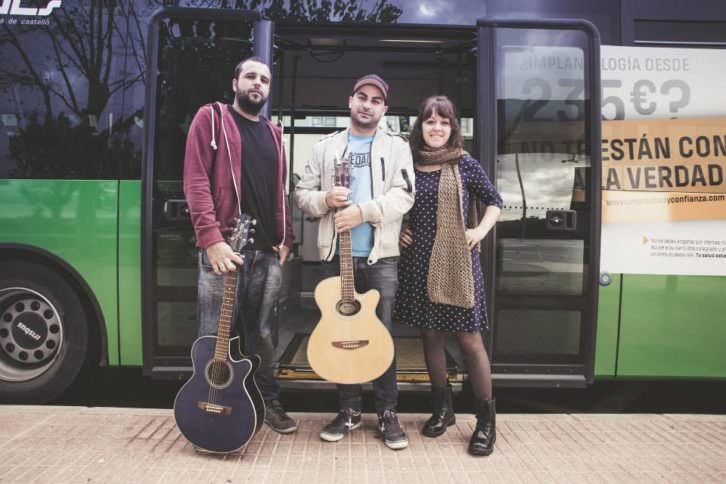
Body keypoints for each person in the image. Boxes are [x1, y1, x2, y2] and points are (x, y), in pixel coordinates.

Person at [294, 74, 414, 450]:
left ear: (384, 109)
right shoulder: (325, 146)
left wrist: (363, 211)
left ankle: (388, 414)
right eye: (361, 97)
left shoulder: (397, 147)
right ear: (350, 101)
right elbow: (302, 193)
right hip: (336, 257)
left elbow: (404, 196)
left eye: (375, 100)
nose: (367, 104)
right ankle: (349, 411)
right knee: (340, 335)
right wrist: (325, 200)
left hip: (380, 257)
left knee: (382, 338)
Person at [183, 56, 297, 434]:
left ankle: (266, 401)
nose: (258, 83)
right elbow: (196, 180)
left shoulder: (274, 133)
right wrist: (211, 239)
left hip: (266, 252)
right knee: (214, 336)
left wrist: (286, 240)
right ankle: (210, 407)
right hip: (224, 251)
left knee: (262, 335)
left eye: (264, 79)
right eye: (250, 76)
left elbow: (280, 192)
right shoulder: (212, 118)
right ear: (235, 83)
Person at [394, 95, 502, 456]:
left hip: (457, 262)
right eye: (430, 121)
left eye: (443, 122)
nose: (437, 128)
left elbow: (495, 202)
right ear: (420, 126)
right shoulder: (406, 162)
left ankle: (486, 422)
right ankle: (442, 410)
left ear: (453, 127)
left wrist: (480, 231)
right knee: (430, 337)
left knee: (469, 340)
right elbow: (395, 204)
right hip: (418, 261)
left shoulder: (465, 163)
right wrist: (398, 229)